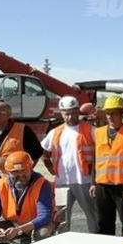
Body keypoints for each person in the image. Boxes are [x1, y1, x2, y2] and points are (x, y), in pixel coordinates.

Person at [41, 96, 99, 233]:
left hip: (84, 181)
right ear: (61, 113)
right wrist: (50, 167)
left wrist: (94, 181)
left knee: (93, 215)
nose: (70, 116)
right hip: (62, 182)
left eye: (73, 112)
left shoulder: (90, 130)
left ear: (78, 111)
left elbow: (99, 155)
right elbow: (44, 151)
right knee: (61, 218)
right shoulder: (55, 132)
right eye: (66, 113)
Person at [0, 101, 44, 198]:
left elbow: (36, 153)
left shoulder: (23, 130)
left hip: (15, 183)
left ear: (8, 115)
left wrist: (24, 173)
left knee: (14, 212)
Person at [89, 95, 123, 238]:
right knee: (104, 222)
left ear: (122, 113)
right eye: (108, 113)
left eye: (114, 113)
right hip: (102, 185)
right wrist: (93, 183)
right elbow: (96, 158)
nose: (110, 116)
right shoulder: (98, 132)